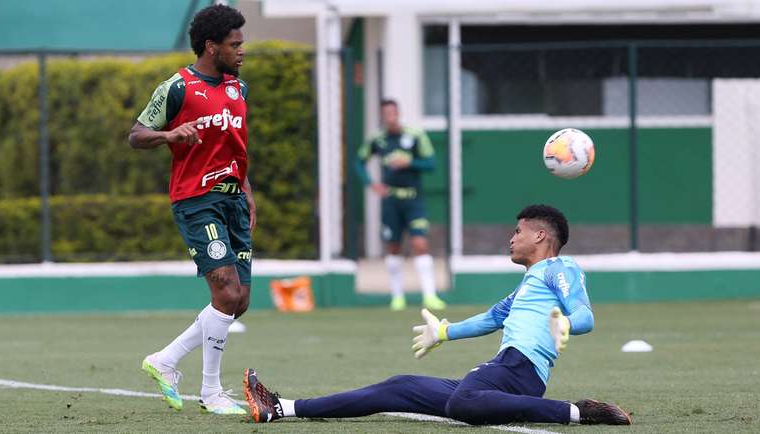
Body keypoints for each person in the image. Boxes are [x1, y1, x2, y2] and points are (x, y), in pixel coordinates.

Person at [242, 205, 632, 426]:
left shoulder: (559, 269)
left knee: (464, 403)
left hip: (519, 372)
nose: (511, 238)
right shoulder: (526, 285)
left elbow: (585, 315)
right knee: (398, 385)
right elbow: (490, 319)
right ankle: (284, 408)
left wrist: (565, 323)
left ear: (541, 237)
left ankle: (580, 413)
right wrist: (443, 332)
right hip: (502, 369)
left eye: (518, 231)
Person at [128, 4, 253, 415]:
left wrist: (247, 190)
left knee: (240, 301)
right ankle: (212, 392)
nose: (242, 50)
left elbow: (235, 146)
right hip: (197, 201)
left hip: (233, 201)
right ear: (210, 46)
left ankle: (164, 360)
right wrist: (168, 134)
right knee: (226, 292)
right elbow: (136, 134)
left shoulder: (239, 89)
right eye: (235, 44)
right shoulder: (178, 87)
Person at [356, 99, 447, 311]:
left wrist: (410, 162)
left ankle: (430, 295)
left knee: (419, 243)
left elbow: (431, 164)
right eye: (385, 114)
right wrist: (371, 184)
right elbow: (359, 162)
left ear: (398, 113)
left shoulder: (415, 136)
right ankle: (397, 297)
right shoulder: (378, 140)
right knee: (393, 246)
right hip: (390, 200)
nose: (390, 117)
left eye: (392, 113)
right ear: (382, 116)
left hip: (414, 198)